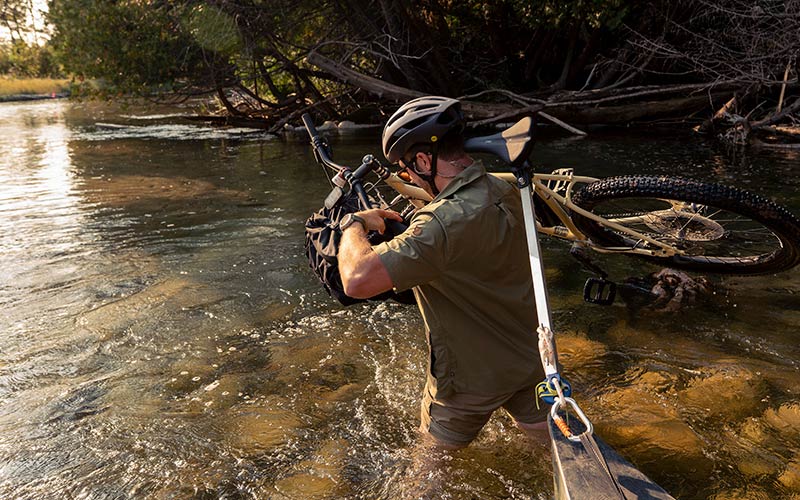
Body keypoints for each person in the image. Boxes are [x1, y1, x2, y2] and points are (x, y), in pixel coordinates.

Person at [337, 96, 548, 453]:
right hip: (531, 363)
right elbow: (460, 223)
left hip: (468, 383)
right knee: (561, 449)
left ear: (423, 160)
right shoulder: (506, 187)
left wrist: (353, 224)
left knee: (426, 479)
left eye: (406, 168)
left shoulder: (439, 225)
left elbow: (356, 280)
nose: (407, 175)